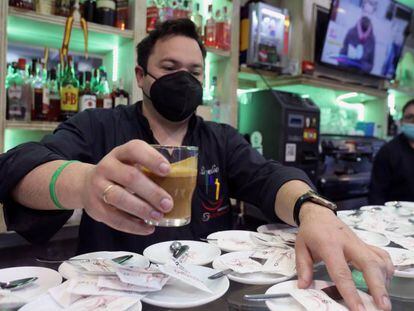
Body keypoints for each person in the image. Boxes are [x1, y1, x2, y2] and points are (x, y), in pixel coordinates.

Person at [0, 19, 392, 311]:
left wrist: (312, 209)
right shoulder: (100, 125)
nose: (183, 79)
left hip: (204, 296)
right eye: (170, 68)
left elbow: (269, 176)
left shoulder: (220, 138)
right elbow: (21, 166)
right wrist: (83, 182)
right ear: (141, 75)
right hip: (114, 298)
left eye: (195, 71)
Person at [369, 100, 414, 204]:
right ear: (402, 121)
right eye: (410, 117)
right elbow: (376, 195)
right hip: (395, 217)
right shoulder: (388, 152)